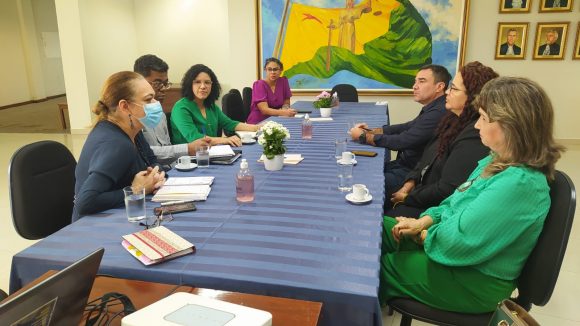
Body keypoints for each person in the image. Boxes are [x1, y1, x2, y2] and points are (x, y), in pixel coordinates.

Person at [379, 76, 565, 313]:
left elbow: (455, 244)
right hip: (457, 255)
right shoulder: (496, 161)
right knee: (376, 230)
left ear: (512, 127)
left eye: (484, 119)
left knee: (376, 267)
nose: (477, 125)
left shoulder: (519, 184)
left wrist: (423, 234)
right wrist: (424, 221)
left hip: (475, 280)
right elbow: (455, 201)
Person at [387, 62, 498, 217]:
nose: (447, 92)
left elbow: (447, 189)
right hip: (420, 191)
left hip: (433, 208)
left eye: (454, 88)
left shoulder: (474, 134)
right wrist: (409, 182)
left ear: (473, 97)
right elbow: (426, 158)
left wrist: (408, 197)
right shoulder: (452, 120)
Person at [73, 71, 166, 222]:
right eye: (148, 100)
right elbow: (85, 203)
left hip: (123, 214)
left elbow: (152, 161)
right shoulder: (117, 145)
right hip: (94, 227)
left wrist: (155, 175)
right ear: (124, 106)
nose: (156, 104)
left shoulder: (133, 129)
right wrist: (137, 190)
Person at [350, 64, 450, 201]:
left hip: (410, 173)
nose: (414, 86)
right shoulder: (435, 107)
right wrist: (371, 131)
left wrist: (363, 136)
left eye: (422, 81)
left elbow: (403, 141)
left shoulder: (439, 112)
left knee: (356, 182)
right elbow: (407, 126)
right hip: (403, 165)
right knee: (358, 169)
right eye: (415, 81)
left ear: (439, 87)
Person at [133, 55, 209, 168]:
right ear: (140, 82)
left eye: (165, 83)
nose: (163, 88)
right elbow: (145, 153)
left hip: (171, 170)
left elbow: (167, 148)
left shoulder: (160, 114)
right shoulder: (133, 116)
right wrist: (187, 148)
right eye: (158, 83)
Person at [171, 64, 259, 146]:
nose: (203, 86)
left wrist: (257, 128)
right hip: (190, 159)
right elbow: (194, 138)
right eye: (197, 82)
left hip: (211, 152)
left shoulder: (210, 106)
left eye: (207, 82)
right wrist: (225, 140)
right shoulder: (181, 108)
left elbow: (229, 124)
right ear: (189, 84)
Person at [246, 58, 296, 124]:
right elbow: (264, 110)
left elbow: (286, 101)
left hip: (277, 120)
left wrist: (285, 108)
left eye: (275, 69)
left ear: (281, 70)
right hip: (258, 122)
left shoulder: (283, 81)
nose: (272, 72)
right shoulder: (259, 85)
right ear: (265, 70)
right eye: (269, 69)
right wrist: (283, 112)